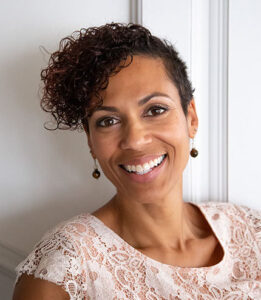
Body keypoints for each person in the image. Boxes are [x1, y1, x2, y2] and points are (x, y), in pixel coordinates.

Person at [13, 23, 261, 300]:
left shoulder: (251, 231)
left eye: (155, 110)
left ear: (191, 118)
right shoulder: (63, 270)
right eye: (108, 121)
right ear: (90, 140)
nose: (135, 140)